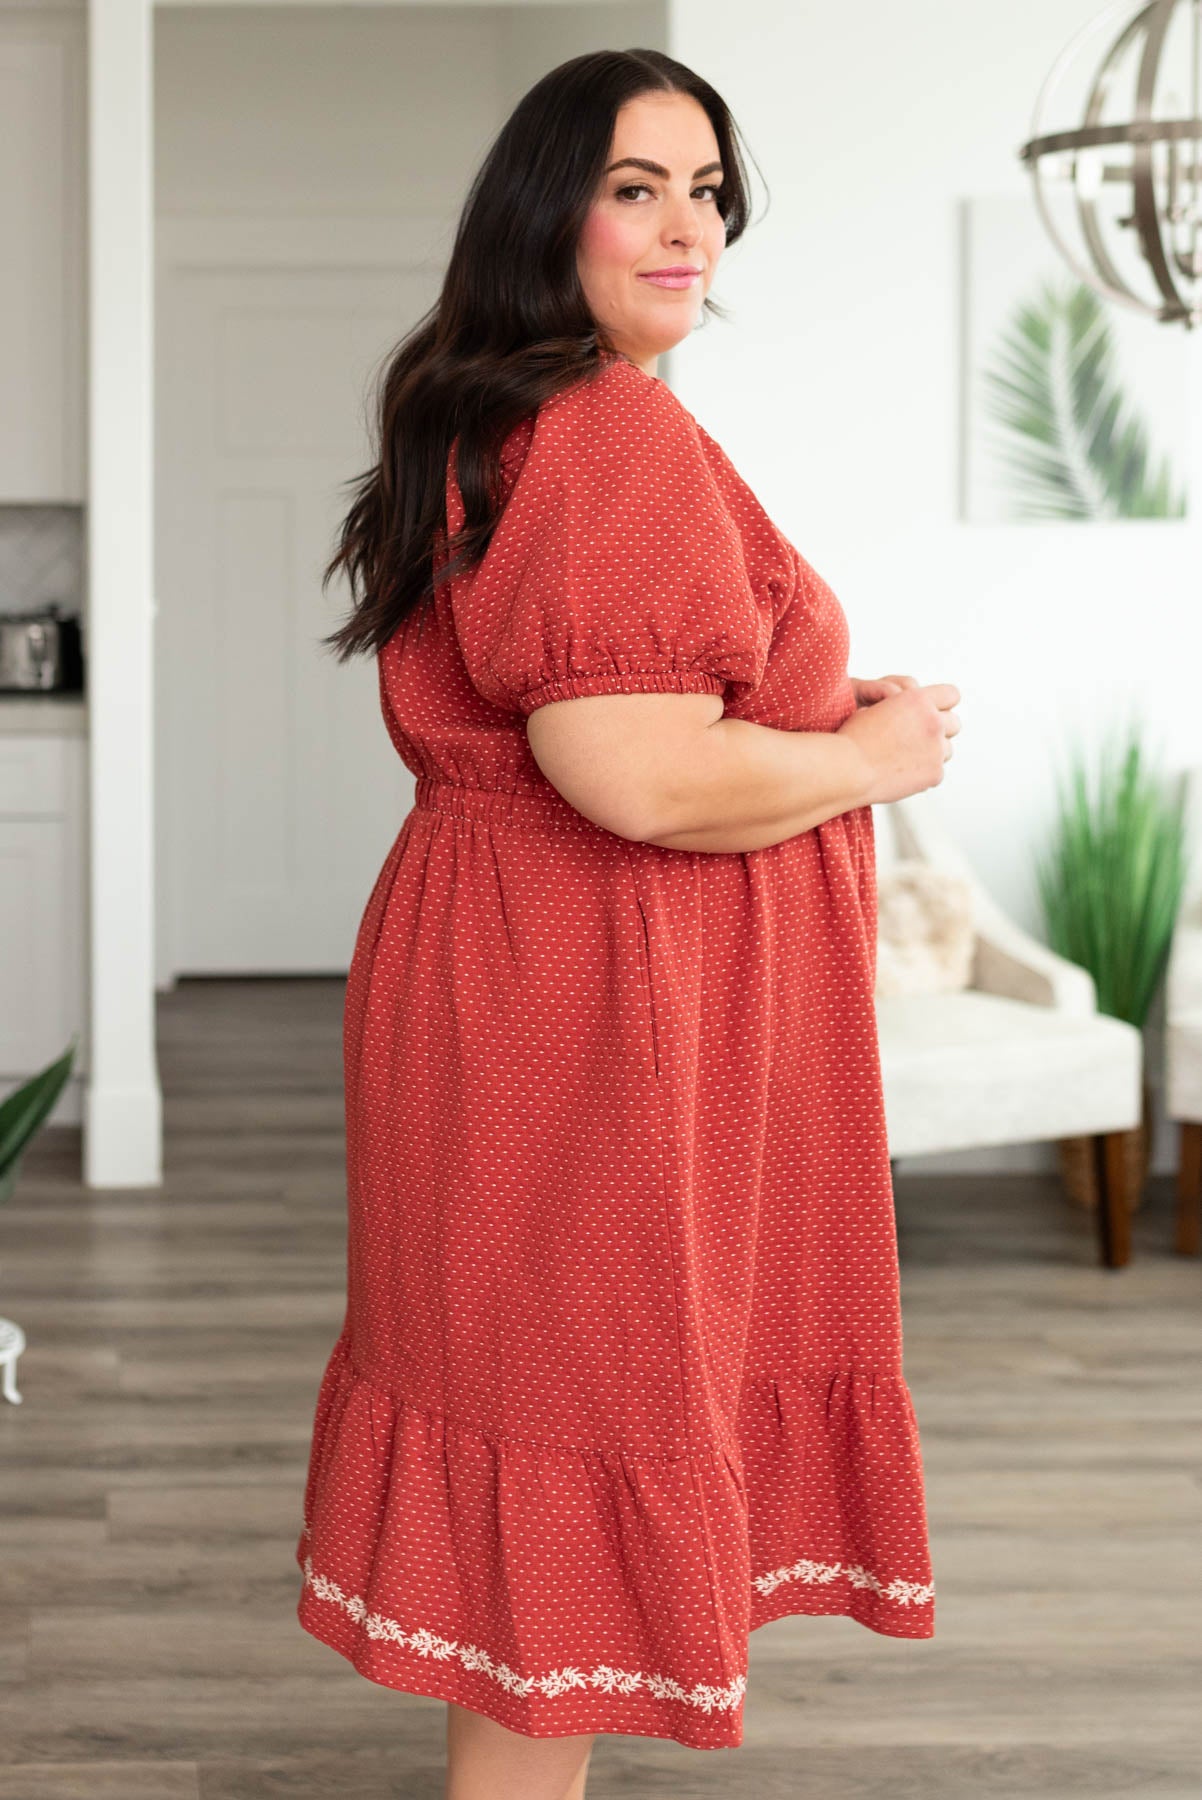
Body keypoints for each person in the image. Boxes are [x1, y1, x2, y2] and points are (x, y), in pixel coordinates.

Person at [295, 45, 958, 1800]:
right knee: (576, 1459)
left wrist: (811, 728)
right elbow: (637, 781)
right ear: (547, 209)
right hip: (588, 1017)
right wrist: (872, 759)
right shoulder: (608, 431)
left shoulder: (507, 410)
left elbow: (629, 715)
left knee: (533, 1488)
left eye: (709, 191)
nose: (687, 228)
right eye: (635, 185)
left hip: (513, 982)